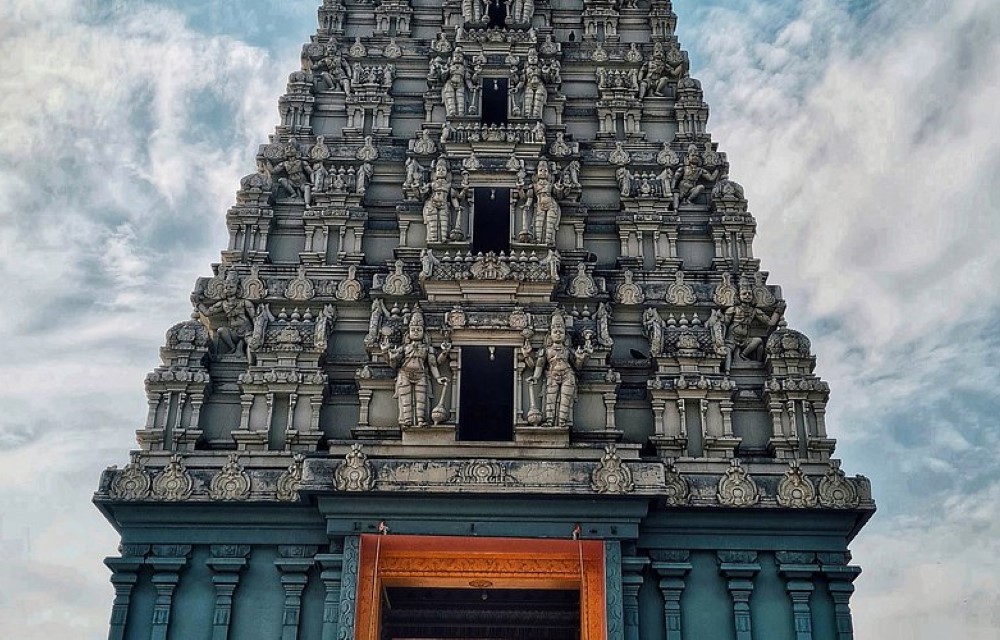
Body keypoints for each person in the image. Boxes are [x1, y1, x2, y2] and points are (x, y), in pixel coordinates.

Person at [381, 308, 449, 427]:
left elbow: (433, 364)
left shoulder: (428, 348)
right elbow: (393, 362)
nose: (416, 332)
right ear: (408, 332)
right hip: (404, 374)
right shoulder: (404, 348)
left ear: (424, 332)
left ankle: (421, 420)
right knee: (406, 400)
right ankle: (407, 421)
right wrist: (385, 351)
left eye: (419, 329)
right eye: (413, 329)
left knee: (421, 400)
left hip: (421, 374)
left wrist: (444, 354)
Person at [524, 313, 592, 427]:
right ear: (550, 334)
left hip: (567, 375)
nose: (558, 334)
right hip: (552, 375)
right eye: (555, 331)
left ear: (565, 335)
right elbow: (539, 366)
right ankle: (550, 421)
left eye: (561, 332)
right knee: (550, 399)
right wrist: (535, 377)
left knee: (565, 400)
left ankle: (562, 423)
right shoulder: (545, 350)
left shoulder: (568, 350)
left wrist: (580, 359)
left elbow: (577, 367)